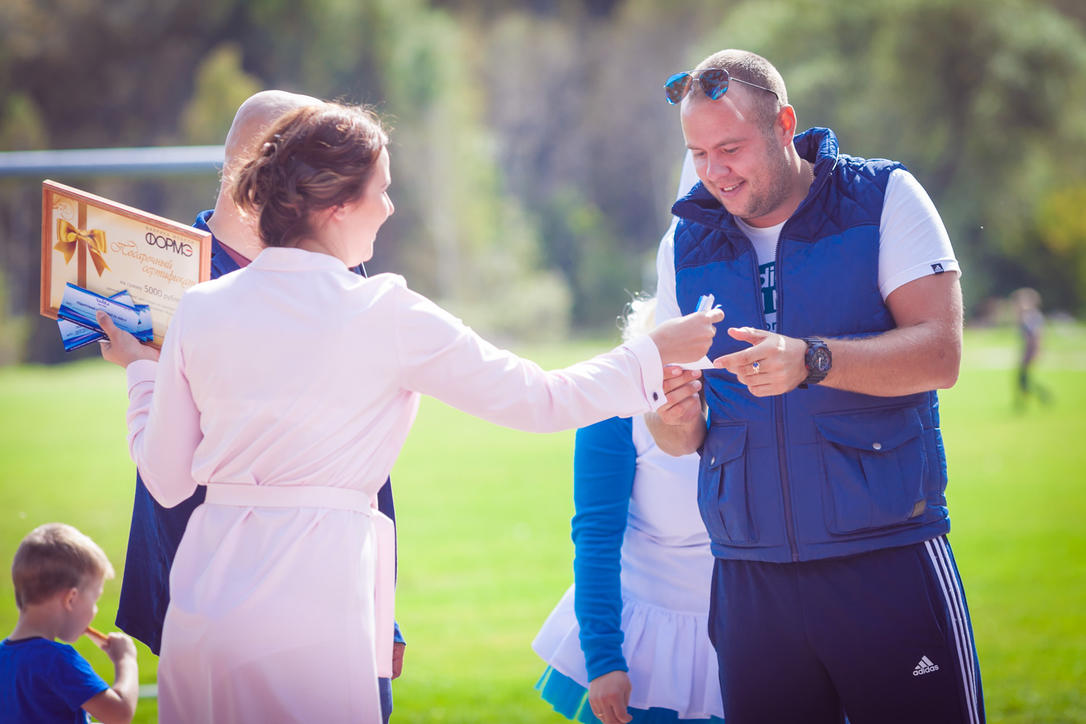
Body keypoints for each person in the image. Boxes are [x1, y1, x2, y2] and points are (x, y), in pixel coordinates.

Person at [96, 99, 723, 722]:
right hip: (315, 601)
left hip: (206, 602)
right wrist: (649, 355)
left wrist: (142, 373)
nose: (390, 209)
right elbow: (539, 399)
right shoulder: (385, 312)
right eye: (382, 190)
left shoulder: (200, 308)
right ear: (338, 205)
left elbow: (167, 478)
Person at [649, 50, 984, 723]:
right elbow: (671, 428)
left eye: (731, 148)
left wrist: (814, 360)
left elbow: (941, 353)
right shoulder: (682, 246)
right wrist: (675, 417)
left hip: (886, 561)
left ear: (784, 125)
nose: (714, 172)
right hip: (750, 583)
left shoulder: (885, 196)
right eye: (698, 152)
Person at [112, 90, 406, 721]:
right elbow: (169, 469)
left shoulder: (339, 268)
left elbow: (353, 450)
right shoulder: (173, 279)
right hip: (209, 570)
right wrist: (140, 367)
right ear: (262, 165)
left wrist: (386, 605)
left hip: (335, 578)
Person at [533, 296, 724, 724]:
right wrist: (604, 660)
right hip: (650, 646)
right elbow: (597, 537)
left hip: (755, 637)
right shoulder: (616, 411)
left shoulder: (754, 400)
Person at [1, 523, 139, 724]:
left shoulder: (4, 658)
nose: (95, 610)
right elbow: (119, 714)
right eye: (95, 600)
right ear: (71, 599)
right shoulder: (57, 660)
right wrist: (125, 660)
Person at [1012, 287, 1051, 409]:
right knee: (1023, 380)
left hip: (1030, 352)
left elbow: (1035, 336)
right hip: (1027, 351)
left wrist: (1033, 352)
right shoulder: (1028, 316)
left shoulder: (1032, 316)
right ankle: (1023, 402)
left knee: (1023, 380)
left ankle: (1042, 396)